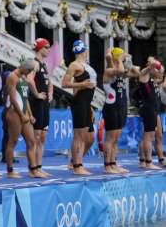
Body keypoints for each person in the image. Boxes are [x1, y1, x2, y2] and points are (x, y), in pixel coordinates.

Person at [62, 40, 98, 175]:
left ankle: (75, 161)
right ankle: (77, 165)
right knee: (79, 136)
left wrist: (90, 108)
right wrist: (82, 84)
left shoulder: (85, 65)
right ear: (85, 50)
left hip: (86, 104)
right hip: (79, 103)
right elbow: (64, 84)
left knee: (90, 138)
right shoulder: (74, 65)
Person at [2, 59, 42, 178]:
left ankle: (33, 169)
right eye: (29, 70)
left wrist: (30, 114)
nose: (29, 72)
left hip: (23, 112)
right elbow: (13, 99)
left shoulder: (24, 78)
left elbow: (25, 99)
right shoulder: (12, 77)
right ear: (23, 67)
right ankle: (10, 170)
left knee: (31, 141)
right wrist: (21, 115)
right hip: (14, 113)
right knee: (12, 142)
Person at [99, 47, 132, 174]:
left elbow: (131, 72)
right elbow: (119, 70)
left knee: (116, 138)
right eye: (121, 57)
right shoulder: (109, 71)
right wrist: (118, 58)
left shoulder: (120, 70)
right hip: (111, 107)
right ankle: (107, 165)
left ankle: (113, 163)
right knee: (110, 138)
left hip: (120, 106)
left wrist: (125, 60)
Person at [29, 38, 54, 176]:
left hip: (44, 103)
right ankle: (33, 169)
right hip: (37, 103)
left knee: (43, 136)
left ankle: (39, 166)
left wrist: (50, 93)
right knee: (36, 136)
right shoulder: (34, 63)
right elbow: (29, 79)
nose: (49, 49)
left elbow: (49, 82)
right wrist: (37, 94)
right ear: (39, 48)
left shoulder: (44, 65)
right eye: (46, 47)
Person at [133, 59, 164, 169]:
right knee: (148, 136)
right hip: (148, 109)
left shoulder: (154, 78)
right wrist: (152, 64)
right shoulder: (144, 74)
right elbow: (150, 68)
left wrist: (158, 66)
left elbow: (161, 72)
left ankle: (150, 161)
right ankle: (148, 162)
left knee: (154, 136)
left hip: (154, 110)